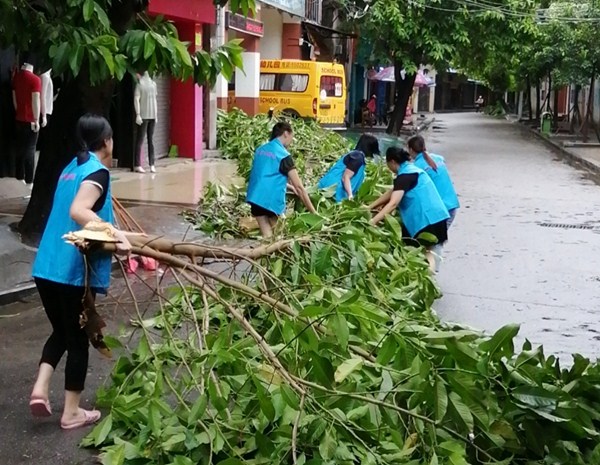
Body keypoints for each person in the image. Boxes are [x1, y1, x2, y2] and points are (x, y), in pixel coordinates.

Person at [30, 114, 132, 430]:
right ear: (107, 141)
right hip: (67, 270)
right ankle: (72, 412)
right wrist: (117, 235)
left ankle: (40, 389)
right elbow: (78, 211)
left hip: (45, 265)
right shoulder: (97, 172)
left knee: (62, 331)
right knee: (77, 340)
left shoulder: (70, 168)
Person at [369, 147, 449, 272]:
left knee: (425, 252)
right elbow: (393, 191)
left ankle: (427, 280)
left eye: (387, 164)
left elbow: (393, 203)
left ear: (393, 162)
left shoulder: (405, 176)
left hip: (427, 220)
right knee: (429, 251)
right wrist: (370, 207)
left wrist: (372, 222)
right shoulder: (411, 170)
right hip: (437, 216)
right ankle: (428, 280)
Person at [246, 122, 317, 238]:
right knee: (280, 234)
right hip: (270, 200)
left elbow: (265, 176)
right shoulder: (283, 155)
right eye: (291, 137)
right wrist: (313, 213)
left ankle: (264, 254)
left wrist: (290, 187)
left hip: (255, 198)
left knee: (267, 236)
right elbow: (300, 188)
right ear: (286, 134)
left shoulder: (260, 150)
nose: (291, 141)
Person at [407, 135, 459, 227]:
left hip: (439, 211)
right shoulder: (438, 158)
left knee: (434, 240)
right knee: (438, 239)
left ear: (411, 150)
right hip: (451, 205)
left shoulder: (416, 168)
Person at [317, 134, 380, 202]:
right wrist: (350, 195)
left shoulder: (356, 155)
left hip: (331, 188)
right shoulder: (358, 157)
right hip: (332, 190)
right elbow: (346, 177)